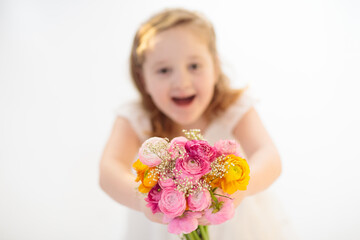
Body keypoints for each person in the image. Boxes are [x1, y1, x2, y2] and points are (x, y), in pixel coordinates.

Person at [99, 8, 292, 240]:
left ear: (215, 67)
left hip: (239, 226)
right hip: (160, 227)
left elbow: (269, 156)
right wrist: (140, 199)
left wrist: (242, 187)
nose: (181, 81)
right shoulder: (136, 116)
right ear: (143, 79)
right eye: (163, 70)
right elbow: (109, 170)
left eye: (194, 66)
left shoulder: (234, 107)